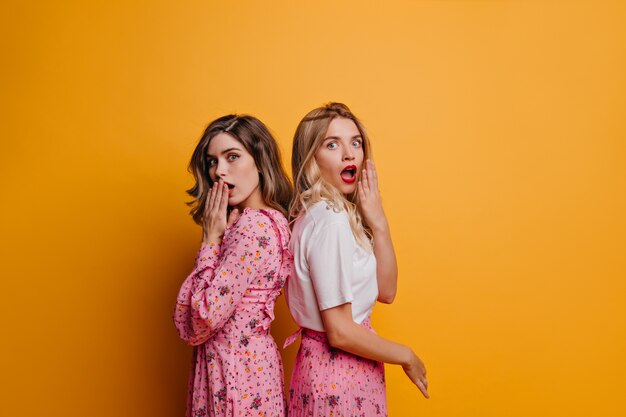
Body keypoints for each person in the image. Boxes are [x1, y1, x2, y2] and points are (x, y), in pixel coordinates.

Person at [284, 102, 429, 416]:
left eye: (355, 142)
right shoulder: (330, 220)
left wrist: (377, 220)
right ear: (311, 158)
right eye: (332, 144)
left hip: (342, 372)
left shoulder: (333, 216)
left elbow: (386, 291)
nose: (349, 154)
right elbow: (340, 332)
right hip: (337, 377)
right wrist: (406, 355)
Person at [173, 114, 293, 417]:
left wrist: (210, 241)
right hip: (255, 369)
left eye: (233, 157)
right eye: (213, 162)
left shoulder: (250, 228)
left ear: (260, 162)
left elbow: (203, 317)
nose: (220, 172)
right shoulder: (274, 221)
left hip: (234, 373)